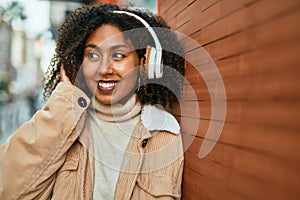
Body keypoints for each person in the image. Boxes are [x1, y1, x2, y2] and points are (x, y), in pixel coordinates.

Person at [0, 3, 185, 199]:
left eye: (118, 55)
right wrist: (65, 103)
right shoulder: (63, 122)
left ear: (145, 62)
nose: (104, 69)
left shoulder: (164, 135)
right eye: (93, 55)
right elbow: (8, 189)